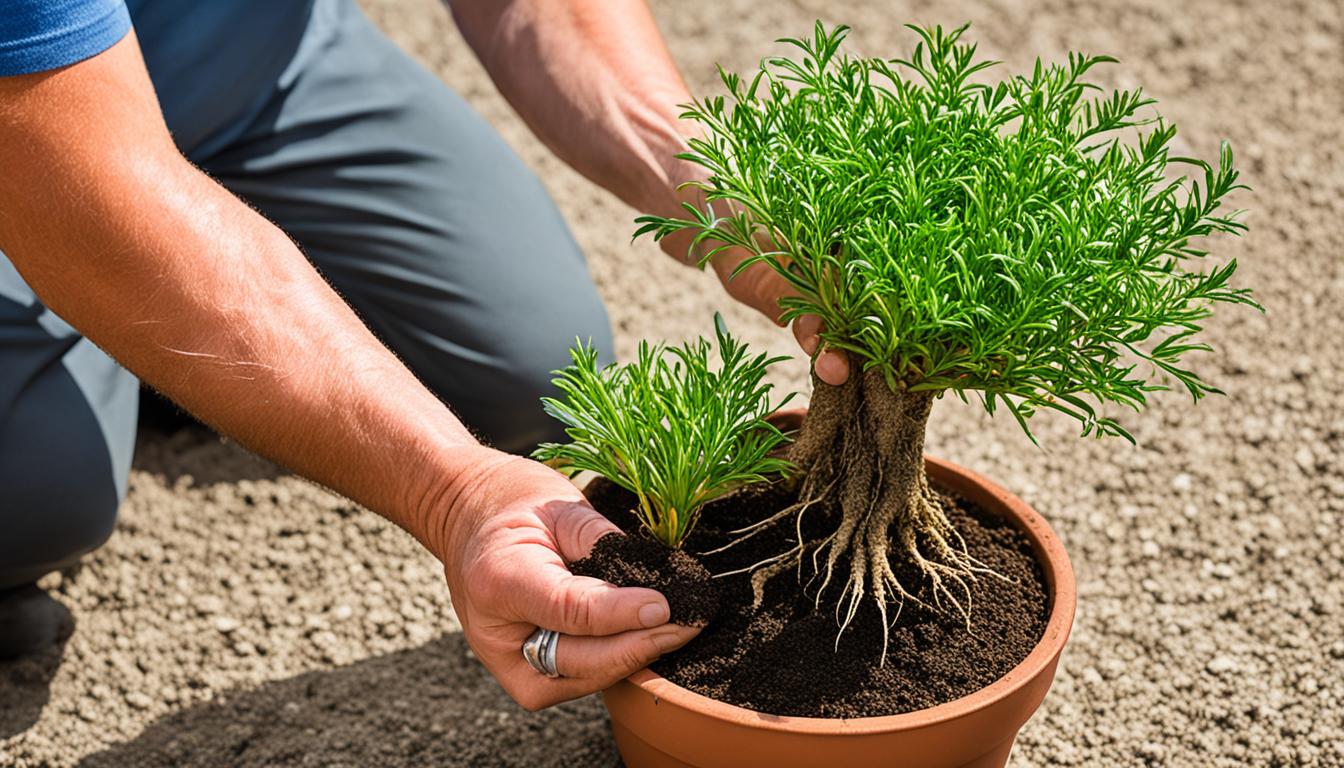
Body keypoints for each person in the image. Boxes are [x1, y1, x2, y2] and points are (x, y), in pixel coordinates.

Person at [0, 0, 847, 709]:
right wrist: (453, 491)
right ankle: (129, 349)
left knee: (529, 361)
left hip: (241, 57)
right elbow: (70, 160)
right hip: (32, 120)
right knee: (38, 490)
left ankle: (171, 354)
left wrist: (709, 180)